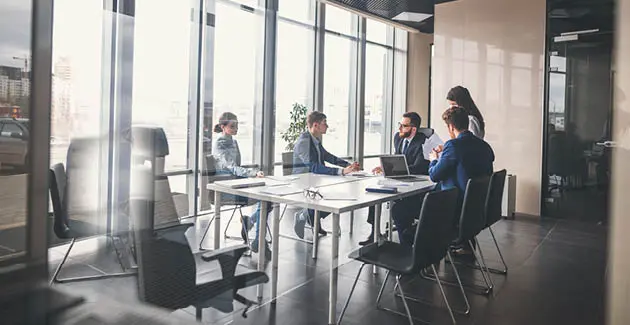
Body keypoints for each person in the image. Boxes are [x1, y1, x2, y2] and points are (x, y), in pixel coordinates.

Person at [359, 112, 443, 246]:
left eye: (404, 126)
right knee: (375, 194)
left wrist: (395, 170)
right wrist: (385, 167)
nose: (400, 129)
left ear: (413, 129)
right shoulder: (398, 138)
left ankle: (407, 241)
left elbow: (419, 166)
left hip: (416, 179)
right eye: (400, 125)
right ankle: (375, 233)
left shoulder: (423, 142)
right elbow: (396, 158)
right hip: (397, 177)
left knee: (400, 209)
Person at [429, 106, 494, 255]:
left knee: (406, 209)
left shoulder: (453, 146)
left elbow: (434, 175)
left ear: (451, 127)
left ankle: (424, 252)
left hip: (456, 207)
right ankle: (465, 244)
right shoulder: (484, 146)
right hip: (478, 207)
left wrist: (433, 160)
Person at [212, 112, 272, 259]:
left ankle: (251, 223)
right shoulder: (219, 143)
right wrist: (252, 173)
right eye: (232, 126)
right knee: (266, 199)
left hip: (237, 183)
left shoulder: (234, 141)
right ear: (223, 127)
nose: (236, 128)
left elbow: (237, 167)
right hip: (226, 188)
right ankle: (258, 239)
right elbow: (232, 167)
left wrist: (251, 175)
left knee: (269, 199)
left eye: (237, 125)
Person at [292, 111, 360, 238]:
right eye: (325, 123)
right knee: (332, 197)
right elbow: (313, 166)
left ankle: (310, 217)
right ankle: (305, 216)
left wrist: (347, 165)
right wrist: (340, 172)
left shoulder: (315, 140)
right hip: (303, 181)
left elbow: (327, 156)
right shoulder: (304, 142)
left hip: (315, 179)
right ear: (316, 125)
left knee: (338, 196)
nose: (327, 126)